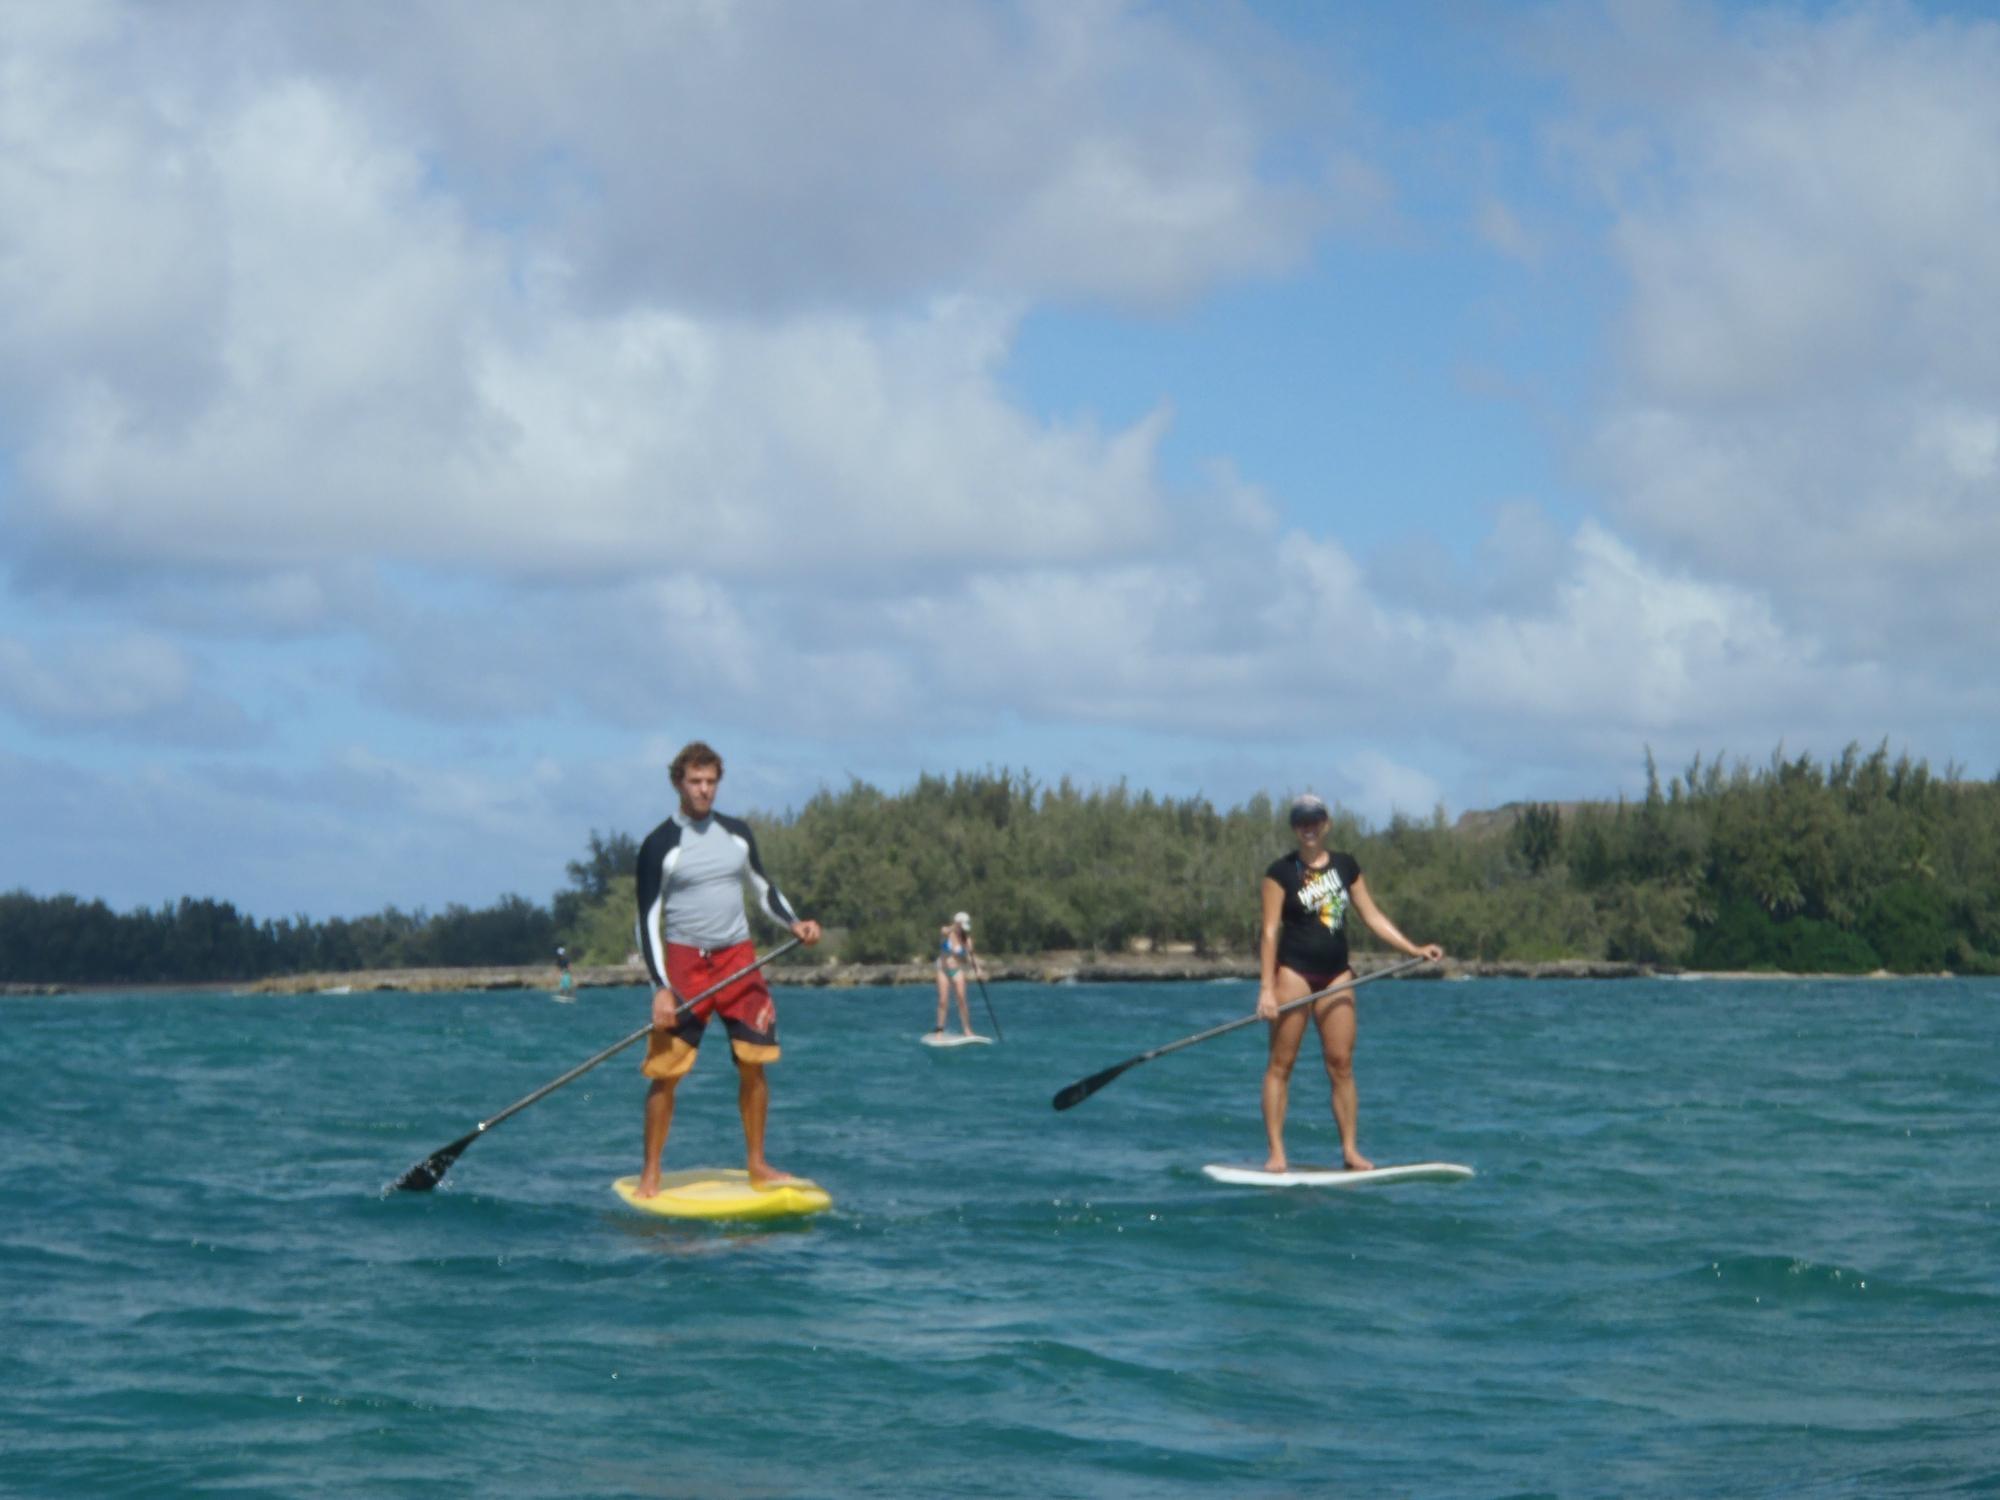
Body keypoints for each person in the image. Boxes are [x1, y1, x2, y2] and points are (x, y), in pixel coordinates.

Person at [633, 740, 822, 1196]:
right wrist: (660, 987)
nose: (703, 791)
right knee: (667, 1073)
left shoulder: (737, 834)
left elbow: (764, 890)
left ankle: (757, 1163)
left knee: (754, 1065)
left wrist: (795, 922)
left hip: (738, 960)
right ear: (678, 782)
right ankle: (651, 1171)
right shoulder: (659, 845)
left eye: (711, 782)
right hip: (684, 966)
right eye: (695, 781)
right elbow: (645, 920)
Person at [1255, 792, 1443, 1173]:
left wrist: (1413, 948)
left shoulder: (1345, 866)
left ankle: (1350, 1150)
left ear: (1326, 824)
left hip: (1337, 974)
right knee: (1281, 1064)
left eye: (1315, 820)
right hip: (1293, 973)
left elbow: (1372, 916)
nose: (1308, 828)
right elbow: (1270, 931)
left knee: (1341, 1064)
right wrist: (1266, 988)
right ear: (1294, 828)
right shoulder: (1280, 873)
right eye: (1301, 822)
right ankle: (1276, 1152)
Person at [932, 911, 981, 1036]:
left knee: (961, 999)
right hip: (943, 970)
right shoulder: (946, 933)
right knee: (943, 1000)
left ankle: (967, 1029)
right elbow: (943, 930)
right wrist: (955, 925)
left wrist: (978, 969)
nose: (963, 929)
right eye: (961, 926)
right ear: (957, 924)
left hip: (957, 970)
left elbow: (971, 957)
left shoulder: (967, 940)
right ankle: (939, 1029)